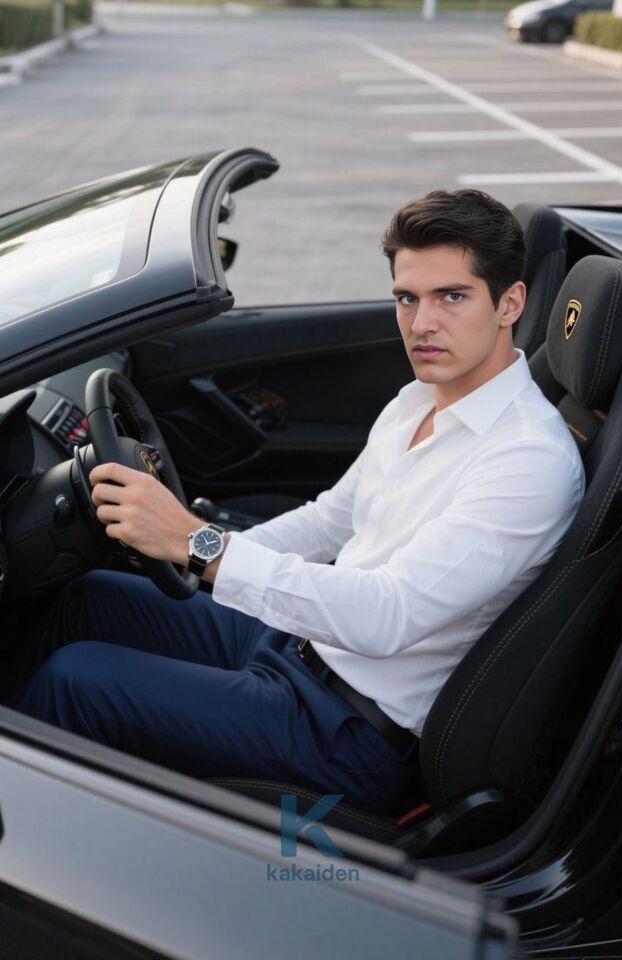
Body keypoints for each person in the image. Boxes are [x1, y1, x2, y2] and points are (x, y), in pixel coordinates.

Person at [3, 189, 585, 815]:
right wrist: (188, 551)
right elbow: (329, 520)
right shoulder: (419, 400)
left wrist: (196, 543)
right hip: (296, 647)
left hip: (345, 729)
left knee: (78, 682)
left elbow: (388, 614)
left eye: (451, 297)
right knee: (89, 598)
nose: (421, 324)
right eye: (406, 298)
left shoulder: (527, 461)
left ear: (509, 303)